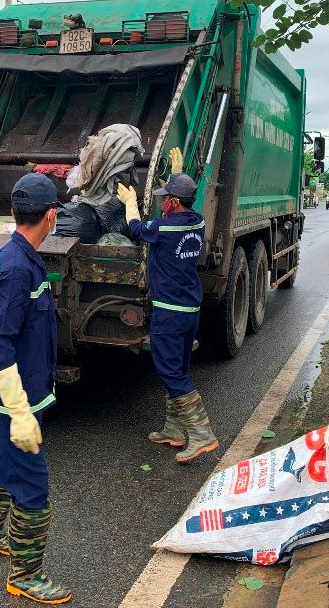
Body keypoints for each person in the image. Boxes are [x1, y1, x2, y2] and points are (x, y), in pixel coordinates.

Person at [0, 173, 70, 605]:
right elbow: (0, 344)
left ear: (13, 212)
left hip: (19, 395)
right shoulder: (16, 269)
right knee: (32, 485)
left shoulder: (20, 257)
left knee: (0, 462)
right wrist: (19, 411)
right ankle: (25, 575)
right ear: (50, 216)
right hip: (10, 401)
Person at [116, 147, 218, 465]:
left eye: (165, 197)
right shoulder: (196, 223)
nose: (161, 201)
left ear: (173, 202)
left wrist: (131, 204)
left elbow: (136, 229)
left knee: (169, 370)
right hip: (189, 311)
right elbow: (176, 211)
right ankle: (175, 430)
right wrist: (176, 173)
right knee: (178, 367)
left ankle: (202, 435)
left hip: (170, 313)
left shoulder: (164, 228)